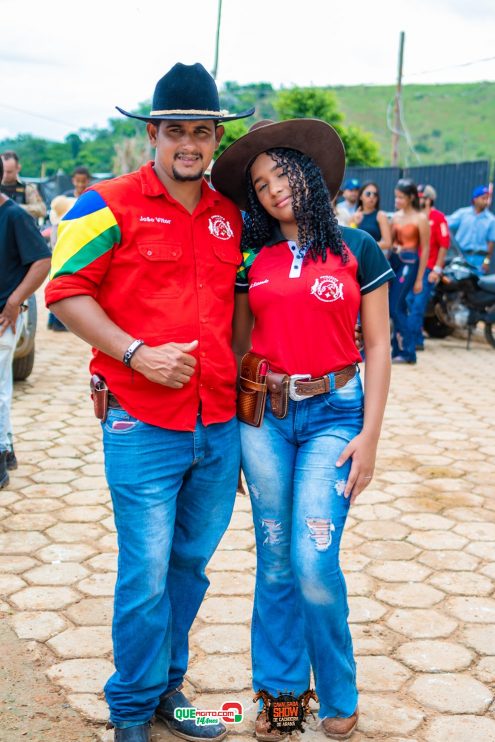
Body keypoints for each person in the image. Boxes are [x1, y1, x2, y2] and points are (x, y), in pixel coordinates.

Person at [45, 62, 254, 742]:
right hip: (141, 423)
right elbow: (65, 292)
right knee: (145, 575)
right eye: (175, 131)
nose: (189, 144)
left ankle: (168, 691)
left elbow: (242, 310)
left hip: (217, 424)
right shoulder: (101, 203)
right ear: (151, 135)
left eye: (201, 132)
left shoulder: (230, 217)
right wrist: (133, 353)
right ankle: (130, 711)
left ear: (214, 139)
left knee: (189, 569)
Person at [211, 119, 393, 741]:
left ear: (307, 175)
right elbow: (239, 347)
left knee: (315, 562)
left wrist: (370, 435)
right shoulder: (251, 260)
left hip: (336, 416)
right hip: (264, 420)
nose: (272, 190)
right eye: (259, 185)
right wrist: (232, 434)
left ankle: (340, 691)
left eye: (281, 174)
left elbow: (379, 347)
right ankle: (283, 697)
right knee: (276, 562)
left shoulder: (358, 249)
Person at [0, 155, 51, 486]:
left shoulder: (14, 216)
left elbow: (42, 261)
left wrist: (16, 301)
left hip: (4, 315)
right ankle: (5, 448)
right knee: (2, 387)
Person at [389, 179, 430, 365]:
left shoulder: (421, 218)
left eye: (401, 197)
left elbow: (426, 249)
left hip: (411, 262)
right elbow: (390, 244)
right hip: (395, 262)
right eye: (396, 196)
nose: (397, 200)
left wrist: (420, 278)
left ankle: (408, 350)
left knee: (395, 306)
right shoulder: (395, 217)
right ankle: (398, 349)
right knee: (398, 307)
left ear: (411, 197)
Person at [408, 184, 450, 350]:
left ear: (429, 199)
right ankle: (415, 338)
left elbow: (444, 245)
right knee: (410, 302)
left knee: (418, 305)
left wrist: (437, 270)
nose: (419, 199)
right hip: (413, 267)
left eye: (422, 197)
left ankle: (414, 342)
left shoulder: (438, 218)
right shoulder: (415, 217)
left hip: (428, 268)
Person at [447, 185, 495, 274]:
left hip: (479, 260)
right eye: (483, 198)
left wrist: (486, 261)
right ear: (475, 199)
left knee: (477, 285)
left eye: (487, 198)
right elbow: (446, 223)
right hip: (462, 258)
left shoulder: (491, 220)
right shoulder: (463, 214)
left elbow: (491, 242)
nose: (486, 201)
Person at [46, 196, 76, 331]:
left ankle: (52, 322)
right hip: (64, 260)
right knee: (62, 293)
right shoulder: (63, 227)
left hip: (57, 260)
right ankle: (58, 323)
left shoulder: (55, 227)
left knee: (56, 291)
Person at [0, 150, 47, 221]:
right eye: (3, 171)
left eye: (9, 172)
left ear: (18, 168)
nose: (5, 175)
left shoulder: (27, 188)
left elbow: (41, 210)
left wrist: (15, 208)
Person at [352, 181, 392, 253]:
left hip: (373, 256)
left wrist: (366, 246)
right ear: (360, 196)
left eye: (375, 194)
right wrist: (355, 223)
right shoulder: (355, 215)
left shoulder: (380, 215)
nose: (372, 196)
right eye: (368, 193)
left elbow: (387, 243)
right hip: (358, 257)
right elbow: (351, 239)